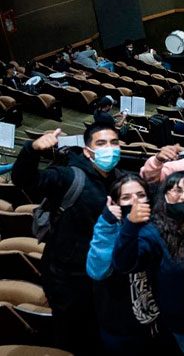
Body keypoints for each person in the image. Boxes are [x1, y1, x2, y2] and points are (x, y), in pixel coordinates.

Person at [12, 123, 123, 355]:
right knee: (72, 337)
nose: (109, 149)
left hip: (104, 276)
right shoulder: (69, 175)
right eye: (101, 143)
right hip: (68, 279)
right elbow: (24, 180)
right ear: (87, 150)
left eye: (114, 143)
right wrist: (32, 150)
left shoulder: (121, 181)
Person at [113, 171, 184, 355]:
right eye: (177, 190)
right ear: (165, 194)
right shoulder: (152, 232)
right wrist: (130, 225)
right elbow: (124, 264)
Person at [86, 175, 164, 355]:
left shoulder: (156, 225)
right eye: (127, 197)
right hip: (120, 328)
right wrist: (108, 222)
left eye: (140, 195)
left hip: (156, 322)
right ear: (114, 202)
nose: (135, 201)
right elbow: (97, 271)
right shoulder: (108, 228)